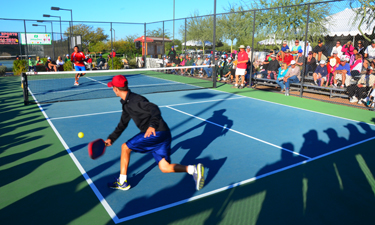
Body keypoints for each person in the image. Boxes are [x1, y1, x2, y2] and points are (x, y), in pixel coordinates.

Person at [105, 75, 205, 191]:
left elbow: (154, 108)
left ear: (116, 89)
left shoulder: (136, 100)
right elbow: (123, 123)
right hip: (164, 133)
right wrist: (111, 138)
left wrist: (152, 125)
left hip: (156, 132)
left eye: (112, 87)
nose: (112, 89)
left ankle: (122, 182)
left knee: (125, 147)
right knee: (164, 167)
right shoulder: (126, 104)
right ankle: (193, 170)